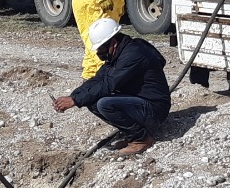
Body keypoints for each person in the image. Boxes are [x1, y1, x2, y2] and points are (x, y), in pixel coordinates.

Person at [52, 18, 171, 156]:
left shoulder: (133, 54)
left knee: (104, 104)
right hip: (140, 102)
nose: (98, 53)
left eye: (101, 48)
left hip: (155, 109)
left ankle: (141, 138)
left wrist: (75, 101)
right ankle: (133, 133)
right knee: (92, 101)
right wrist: (73, 97)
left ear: (113, 43)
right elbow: (99, 79)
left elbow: (108, 84)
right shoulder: (120, 52)